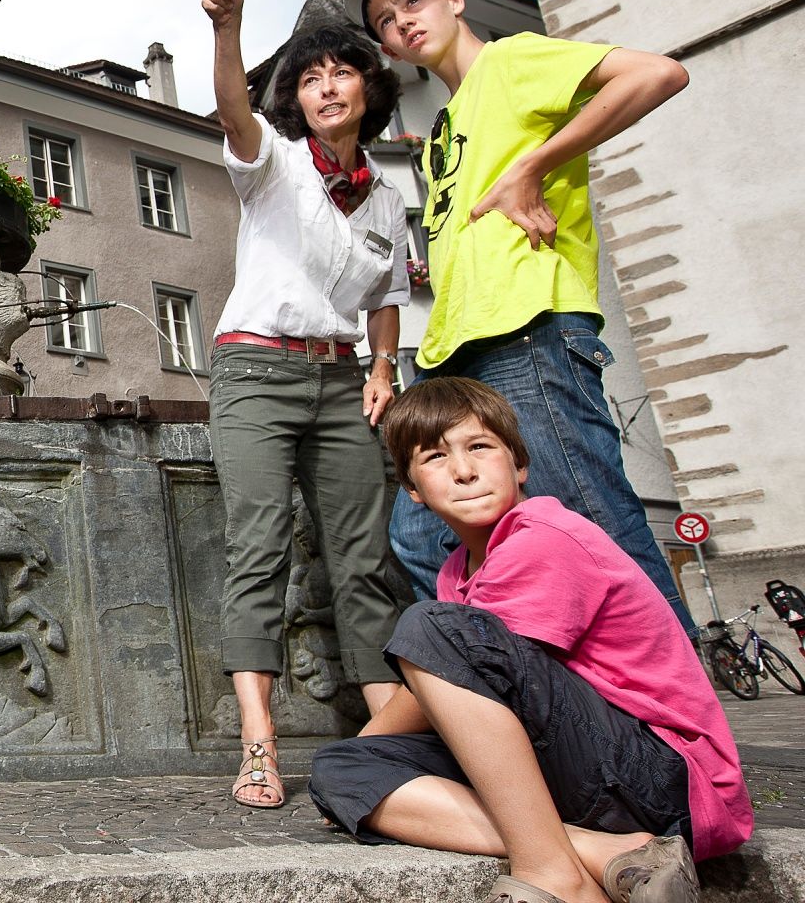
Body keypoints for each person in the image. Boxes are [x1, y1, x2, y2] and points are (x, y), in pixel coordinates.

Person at [347, 0, 694, 633]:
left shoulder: (510, 62)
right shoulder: (441, 132)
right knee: (423, 535)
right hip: (452, 348)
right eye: (386, 22)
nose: (402, 22)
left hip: (527, 326)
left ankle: (677, 717)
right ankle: (521, 681)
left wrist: (533, 166)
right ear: (387, 48)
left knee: (587, 517)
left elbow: (658, 73)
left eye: (412, 2)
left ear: (453, 1)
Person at [310, 378, 750, 903]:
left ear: (519, 465)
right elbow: (454, 686)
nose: (464, 470)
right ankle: (603, 853)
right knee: (340, 771)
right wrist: (362, 757)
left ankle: (552, 872)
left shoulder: (542, 535)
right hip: (585, 776)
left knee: (429, 628)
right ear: (412, 491)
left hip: (667, 779)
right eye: (434, 457)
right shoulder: (459, 568)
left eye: (479, 447)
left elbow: (445, 665)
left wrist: (374, 743)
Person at [201, 0, 411, 808]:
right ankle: (259, 741)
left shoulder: (388, 200)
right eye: (313, 76)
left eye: (344, 72)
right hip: (255, 368)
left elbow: (388, 296)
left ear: (368, 88)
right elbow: (231, 111)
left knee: (364, 559)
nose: (328, 87)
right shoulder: (276, 163)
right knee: (259, 547)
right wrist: (226, 29)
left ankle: (387, 731)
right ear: (298, 96)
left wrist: (386, 366)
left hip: (342, 382)